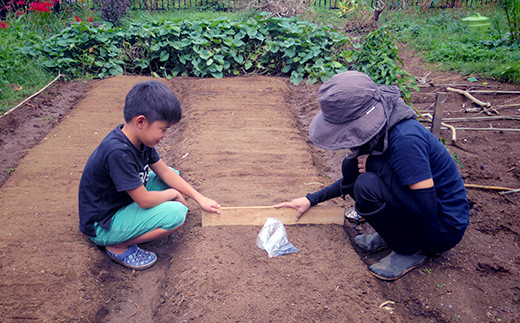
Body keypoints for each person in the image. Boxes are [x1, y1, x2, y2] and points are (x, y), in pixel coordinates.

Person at [275, 71, 470, 281]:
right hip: (420, 210)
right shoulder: (383, 127)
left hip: (442, 228)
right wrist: (312, 199)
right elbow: (354, 177)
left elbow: (428, 210)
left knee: (367, 184)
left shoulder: (406, 141)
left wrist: (376, 166)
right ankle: (394, 235)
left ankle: (408, 250)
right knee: (352, 166)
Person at [78, 80, 221, 270]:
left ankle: (128, 230)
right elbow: (144, 201)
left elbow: (163, 170)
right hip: (103, 224)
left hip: (122, 201)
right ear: (141, 122)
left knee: (172, 177)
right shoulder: (118, 152)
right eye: (163, 129)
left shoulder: (139, 139)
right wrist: (173, 195)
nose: (164, 135)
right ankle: (117, 245)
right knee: (176, 215)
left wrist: (199, 198)